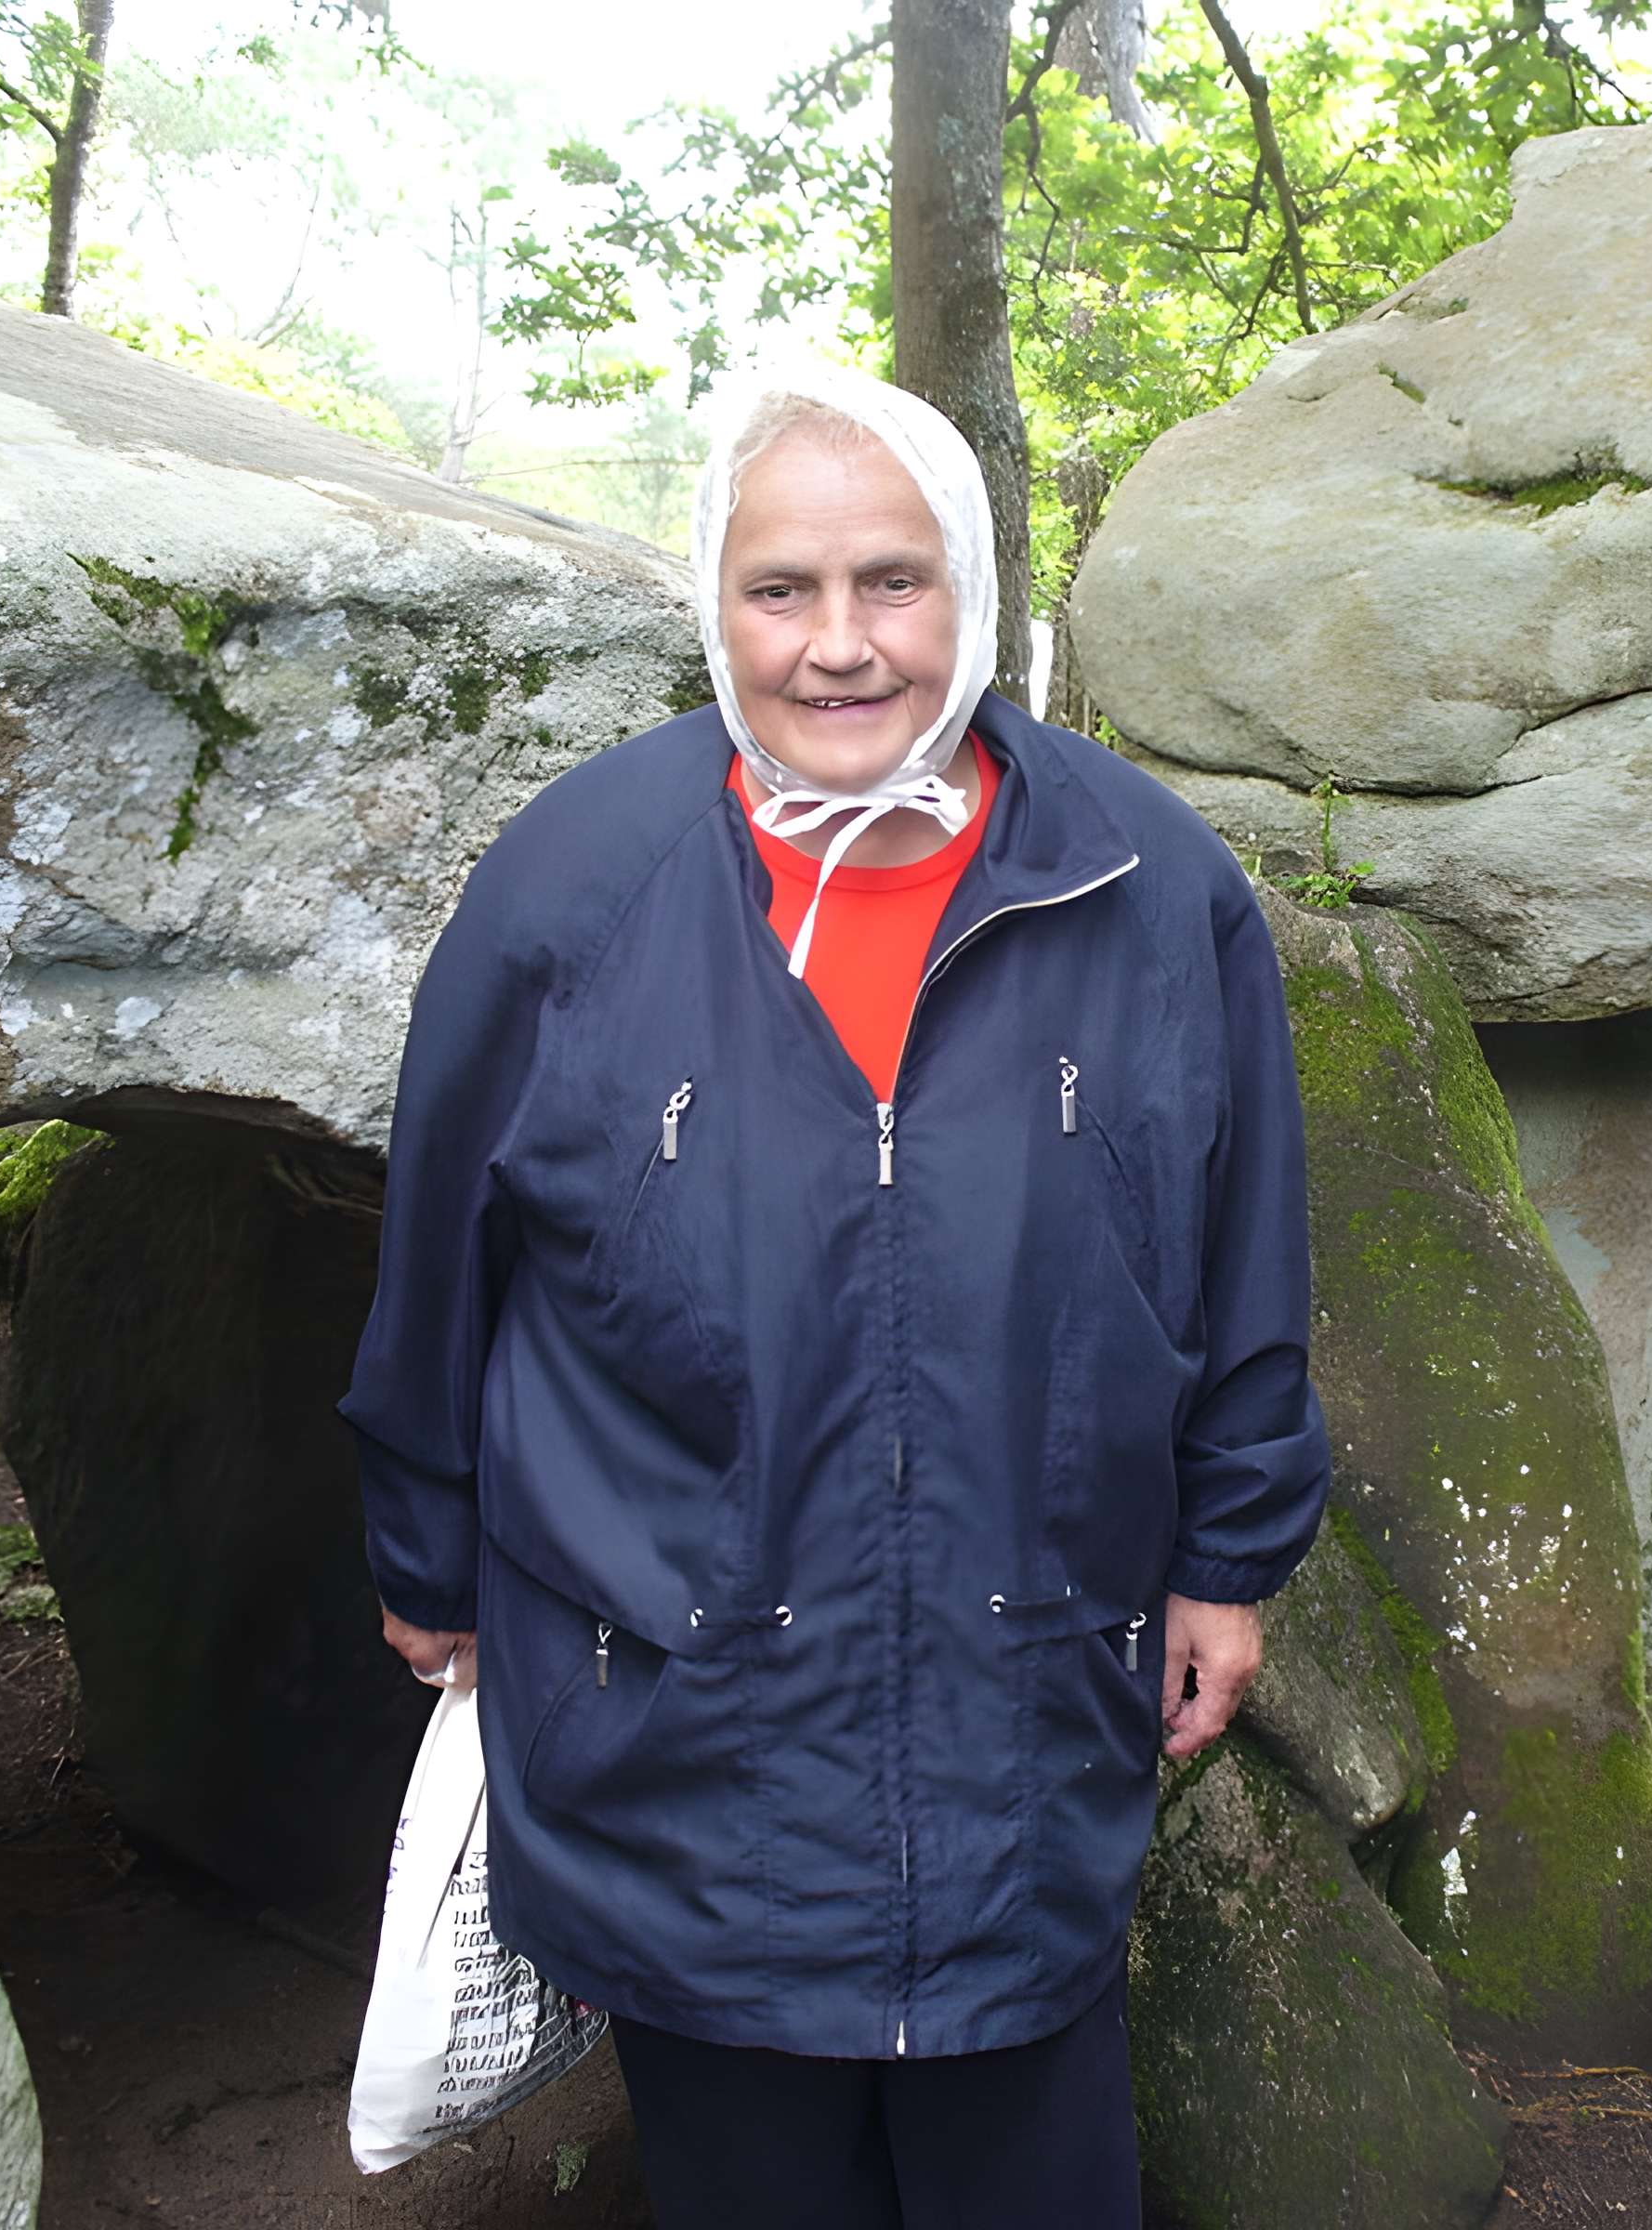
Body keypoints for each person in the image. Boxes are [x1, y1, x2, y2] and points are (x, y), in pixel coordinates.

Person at [335, 362, 1330, 2228]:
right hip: (686, 1713)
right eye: (780, 588)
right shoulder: (576, 886)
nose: (840, 645)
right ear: (710, 605)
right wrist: (429, 1562)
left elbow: (1240, 1254)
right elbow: (438, 1275)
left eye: (894, 581)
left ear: (972, 588)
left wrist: (1227, 1555)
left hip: (1020, 1700)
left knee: (1029, 2168)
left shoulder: (1150, 883)